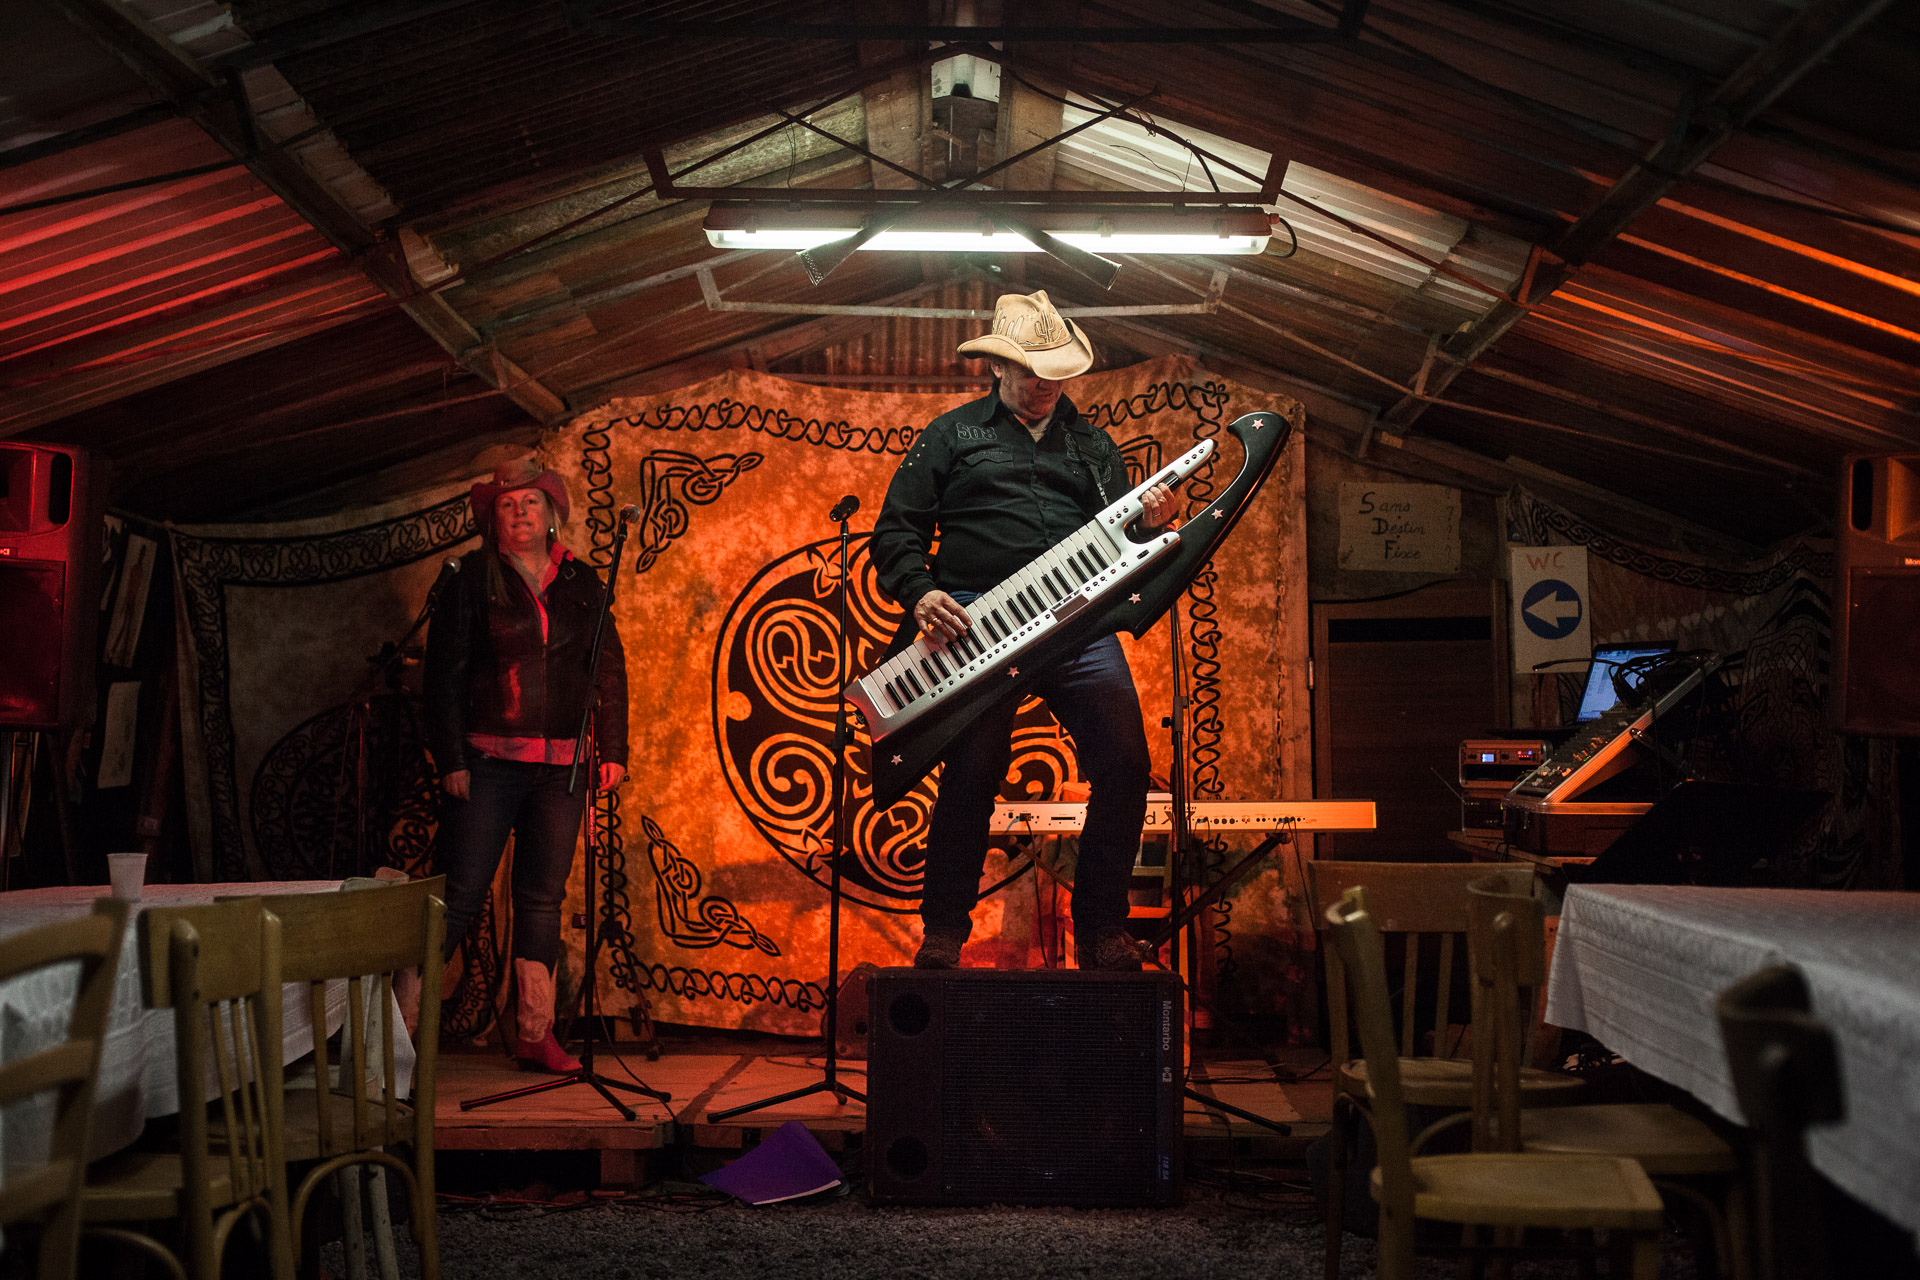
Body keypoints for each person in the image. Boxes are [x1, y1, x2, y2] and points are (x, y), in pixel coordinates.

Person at [868, 290, 1178, 972]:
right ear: (997, 368)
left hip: (1077, 618)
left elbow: (1121, 539)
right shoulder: (950, 435)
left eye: (1055, 372)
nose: (1045, 384)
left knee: (1126, 766)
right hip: (978, 621)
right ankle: (945, 931)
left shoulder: (1093, 447)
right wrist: (922, 595)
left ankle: (1101, 928)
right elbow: (898, 530)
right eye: (1032, 370)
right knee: (972, 773)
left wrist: (1153, 525)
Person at [424, 457, 629, 1073]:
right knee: (457, 895)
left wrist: (612, 750)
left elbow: (608, 670)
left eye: (530, 502)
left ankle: (536, 1033)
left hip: (562, 768)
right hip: (487, 761)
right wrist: (452, 758)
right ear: (493, 518)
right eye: (507, 505)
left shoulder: (583, 582)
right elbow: (443, 677)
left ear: (551, 512)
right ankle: (395, 1030)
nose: (519, 512)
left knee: (542, 898)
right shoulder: (468, 581)